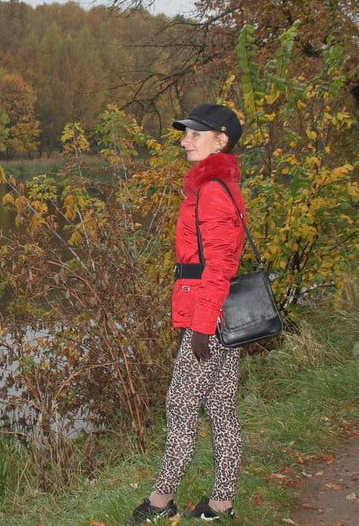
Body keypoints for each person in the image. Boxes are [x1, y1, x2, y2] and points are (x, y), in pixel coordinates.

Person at [126, 103, 247, 524]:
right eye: (186, 133)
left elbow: (220, 266)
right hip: (219, 316)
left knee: (180, 405)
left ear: (221, 140)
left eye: (196, 134)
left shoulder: (212, 192)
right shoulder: (212, 186)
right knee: (220, 407)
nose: (185, 140)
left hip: (208, 318)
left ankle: (161, 500)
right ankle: (221, 502)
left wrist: (200, 328)